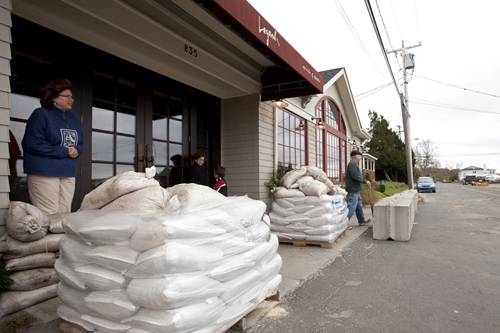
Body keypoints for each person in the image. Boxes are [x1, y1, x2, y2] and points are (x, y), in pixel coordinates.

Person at [21, 78, 83, 216]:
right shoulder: (41, 114)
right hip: (45, 172)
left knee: (64, 214)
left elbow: (80, 144)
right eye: (67, 96)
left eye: (71, 96)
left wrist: (76, 150)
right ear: (54, 97)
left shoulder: (73, 119)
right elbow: (34, 144)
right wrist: (65, 150)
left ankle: (60, 238)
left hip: (67, 172)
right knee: (49, 214)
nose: (71, 99)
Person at [345, 150, 371, 227]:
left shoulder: (354, 164)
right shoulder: (352, 164)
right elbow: (355, 176)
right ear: (355, 156)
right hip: (353, 190)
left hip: (356, 190)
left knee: (358, 205)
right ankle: (343, 223)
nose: (360, 157)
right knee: (352, 206)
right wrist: (365, 181)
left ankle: (361, 220)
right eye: (359, 156)